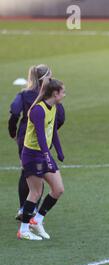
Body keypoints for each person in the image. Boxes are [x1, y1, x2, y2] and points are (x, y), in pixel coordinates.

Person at [8, 65, 65, 221]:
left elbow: (14, 112)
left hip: (23, 138)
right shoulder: (49, 98)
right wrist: (50, 132)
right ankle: (30, 214)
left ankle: (24, 209)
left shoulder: (24, 94)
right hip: (35, 142)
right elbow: (60, 119)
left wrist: (13, 133)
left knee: (27, 172)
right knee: (35, 178)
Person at [17, 78, 66, 240]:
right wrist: (47, 156)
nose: (64, 94)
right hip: (32, 155)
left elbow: (52, 132)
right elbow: (40, 135)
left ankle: (37, 220)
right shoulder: (38, 110)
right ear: (55, 93)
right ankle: (23, 230)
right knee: (36, 192)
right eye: (63, 91)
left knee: (58, 189)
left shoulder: (54, 107)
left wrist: (58, 151)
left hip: (43, 154)